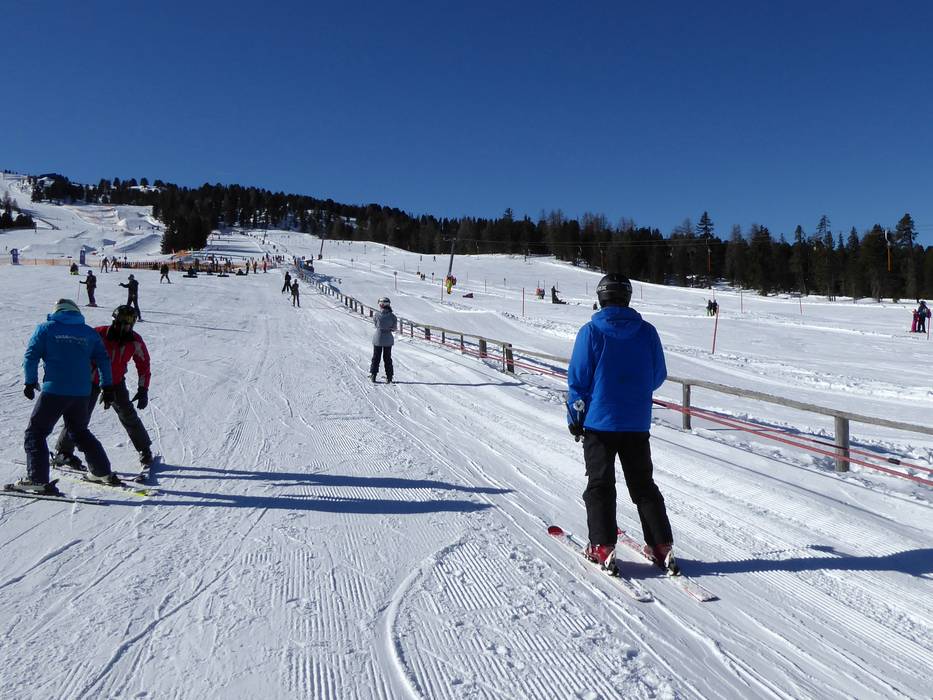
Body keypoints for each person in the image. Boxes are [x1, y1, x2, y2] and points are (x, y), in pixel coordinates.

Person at [566, 274, 678, 575]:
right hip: (636, 423)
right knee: (643, 485)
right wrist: (633, 391)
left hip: (599, 424)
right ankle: (660, 544)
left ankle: (602, 545)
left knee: (600, 484)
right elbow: (657, 375)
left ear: (601, 298)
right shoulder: (647, 332)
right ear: (627, 297)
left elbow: (578, 381)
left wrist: (575, 418)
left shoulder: (590, 332)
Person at [14, 299, 118, 494]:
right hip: (82, 393)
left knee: (36, 433)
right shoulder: (89, 332)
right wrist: (107, 386)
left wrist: (30, 381)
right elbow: (103, 359)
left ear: (56, 312)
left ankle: (37, 479)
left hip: (54, 390)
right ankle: (102, 471)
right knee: (79, 432)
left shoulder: (46, 329)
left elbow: (31, 356)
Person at [51, 305, 154, 470]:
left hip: (116, 382)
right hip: (90, 381)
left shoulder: (134, 341)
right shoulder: (98, 334)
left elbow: (144, 365)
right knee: (78, 415)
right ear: (114, 320)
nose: (123, 327)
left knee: (127, 414)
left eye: (127, 323)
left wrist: (143, 390)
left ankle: (144, 449)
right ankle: (63, 452)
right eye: (120, 322)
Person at [370, 297, 397, 383]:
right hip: (388, 339)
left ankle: (373, 375)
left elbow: (375, 325)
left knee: (376, 357)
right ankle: (389, 376)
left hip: (378, 338)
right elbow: (394, 328)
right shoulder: (393, 316)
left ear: (381, 305)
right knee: (387, 358)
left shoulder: (376, 315)